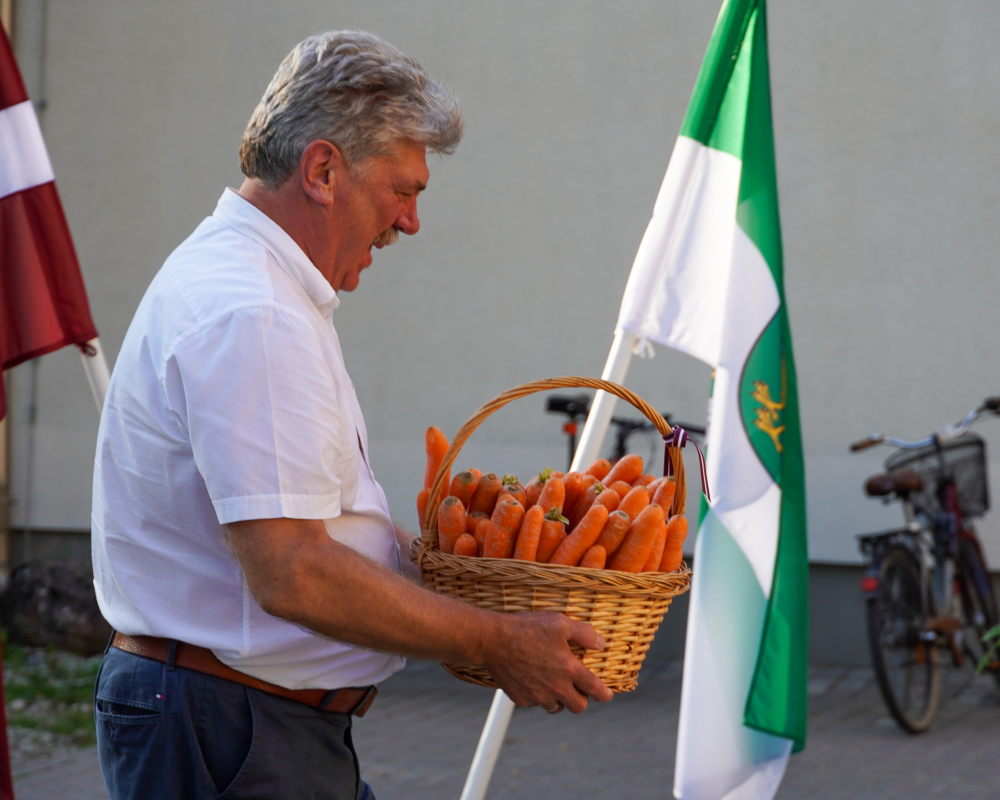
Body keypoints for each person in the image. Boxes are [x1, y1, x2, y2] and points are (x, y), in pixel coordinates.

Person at [90, 31, 611, 800]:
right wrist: (496, 639)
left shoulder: (255, 286)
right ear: (325, 170)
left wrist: (461, 582)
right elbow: (293, 570)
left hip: (241, 722)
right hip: (229, 728)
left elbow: (322, 534)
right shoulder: (252, 310)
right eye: (404, 189)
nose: (409, 222)